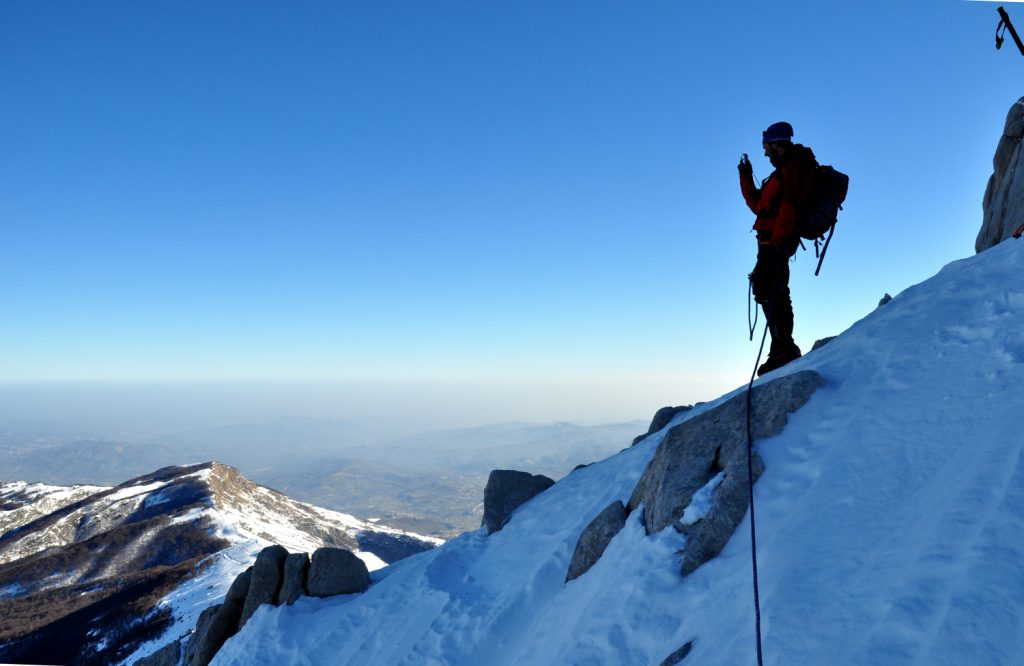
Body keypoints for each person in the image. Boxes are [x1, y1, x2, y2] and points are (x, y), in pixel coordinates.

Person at [737, 121, 817, 376]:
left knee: (773, 289)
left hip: (775, 242)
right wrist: (745, 175)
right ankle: (780, 347)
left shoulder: (794, 166)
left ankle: (784, 348)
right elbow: (759, 206)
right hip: (770, 241)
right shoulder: (781, 171)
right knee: (767, 288)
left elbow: (790, 205)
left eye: (766, 147)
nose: (764, 153)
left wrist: (778, 242)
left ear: (775, 143)